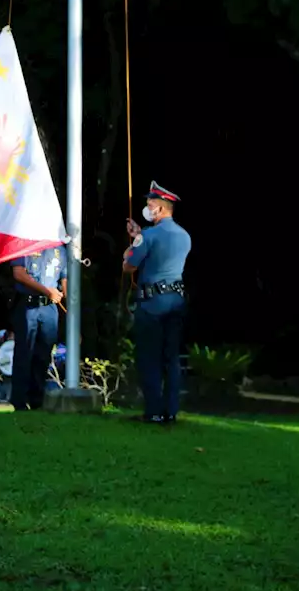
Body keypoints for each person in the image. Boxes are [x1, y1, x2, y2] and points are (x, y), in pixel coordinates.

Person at [123, 181, 193, 425]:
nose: (147, 207)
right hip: (175, 300)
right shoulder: (185, 236)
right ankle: (170, 411)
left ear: (161, 209)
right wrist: (139, 236)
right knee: (171, 358)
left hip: (152, 303)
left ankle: (153, 411)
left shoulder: (149, 236)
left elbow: (128, 266)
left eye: (150, 205)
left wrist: (135, 242)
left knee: (149, 357)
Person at [9, 241, 67, 411]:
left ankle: (37, 400)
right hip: (28, 305)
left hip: (49, 308)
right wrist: (46, 290)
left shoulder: (60, 248)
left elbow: (64, 279)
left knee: (44, 354)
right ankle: (19, 401)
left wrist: (69, 307)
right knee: (24, 352)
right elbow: (19, 274)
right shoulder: (24, 243)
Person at [0, 332, 16, 402]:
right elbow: (1, 362)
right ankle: (7, 397)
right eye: (11, 337)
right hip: (5, 370)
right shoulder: (3, 349)